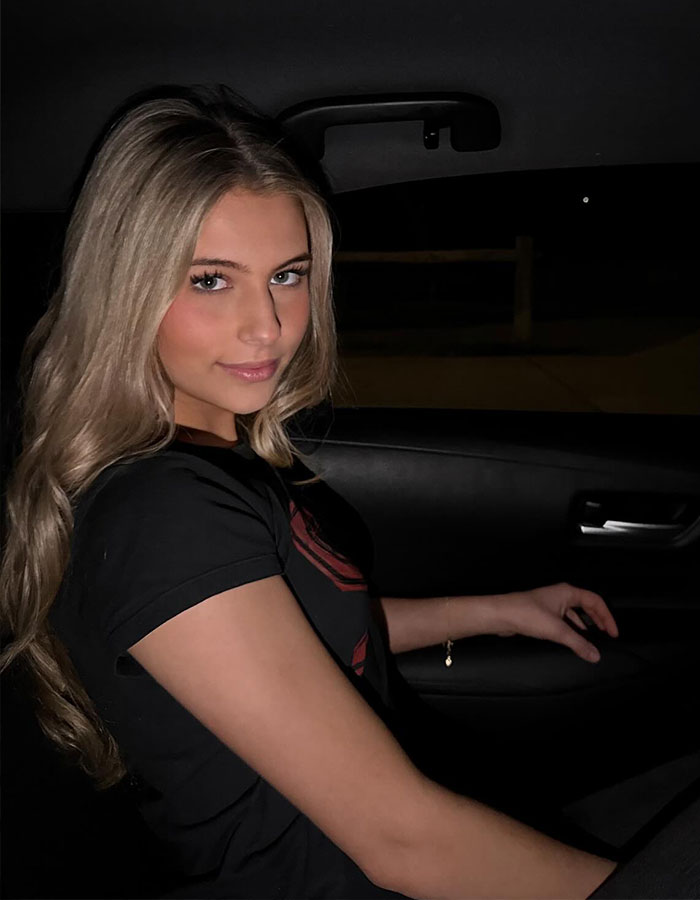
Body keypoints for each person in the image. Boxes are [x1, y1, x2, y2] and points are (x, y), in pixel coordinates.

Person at [0, 84, 625, 899]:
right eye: (211, 281)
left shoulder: (210, 459)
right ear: (124, 291)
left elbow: (294, 641)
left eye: (287, 275)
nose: (268, 326)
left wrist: (497, 610)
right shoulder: (162, 512)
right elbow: (405, 842)